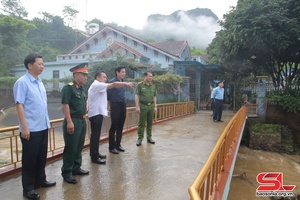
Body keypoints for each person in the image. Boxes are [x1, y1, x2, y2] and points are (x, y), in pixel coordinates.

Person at [13, 54, 56, 200]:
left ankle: (41, 180)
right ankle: (28, 188)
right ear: (30, 65)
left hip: (42, 126)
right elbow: (19, 105)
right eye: (39, 64)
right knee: (30, 159)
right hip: (30, 129)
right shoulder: (22, 83)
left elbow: (41, 106)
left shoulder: (40, 82)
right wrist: (24, 127)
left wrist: (47, 123)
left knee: (41, 157)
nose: (42, 66)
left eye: (43, 64)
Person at [88, 70, 133, 164]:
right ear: (97, 77)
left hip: (98, 113)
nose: (105, 79)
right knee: (95, 135)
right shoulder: (97, 85)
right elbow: (112, 85)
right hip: (96, 114)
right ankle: (94, 157)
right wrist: (126, 83)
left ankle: (95, 153)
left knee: (96, 135)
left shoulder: (98, 86)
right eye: (104, 77)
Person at [61, 63, 89, 184]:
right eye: (83, 75)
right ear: (76, 75)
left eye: (86, 75)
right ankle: (67, 172)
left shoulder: (81, 89)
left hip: (82, 120)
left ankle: (76, 168)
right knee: (71, 147)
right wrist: (69, 122)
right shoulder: (68, 88)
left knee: (79, 146)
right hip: (73, 120)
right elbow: (65, 105)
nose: (86, 77)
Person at [107, 66, 129, 154]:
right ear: (117, 72)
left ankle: (118, 145)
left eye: (124, 72)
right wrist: (109, 107)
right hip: (115, 105)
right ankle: (111, 147)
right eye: (122, 72)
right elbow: (108, 96)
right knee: (114, 126)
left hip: (123, 105)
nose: (124, 73)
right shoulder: (112, 82)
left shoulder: (122, 82)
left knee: (120, 126)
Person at [135, 71, 157, 146]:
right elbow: (137, 95)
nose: (151, 78)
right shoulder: (140, 85)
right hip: (143, 106)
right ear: (145, 76)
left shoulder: (153, 85)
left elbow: (154, 96)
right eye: (149, 76)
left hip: (151, 106)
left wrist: (155, 106)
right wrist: (137, 106)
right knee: (141, 123)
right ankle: (140, 138)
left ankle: (149, 137)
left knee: (150, 123)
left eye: (151, 76)